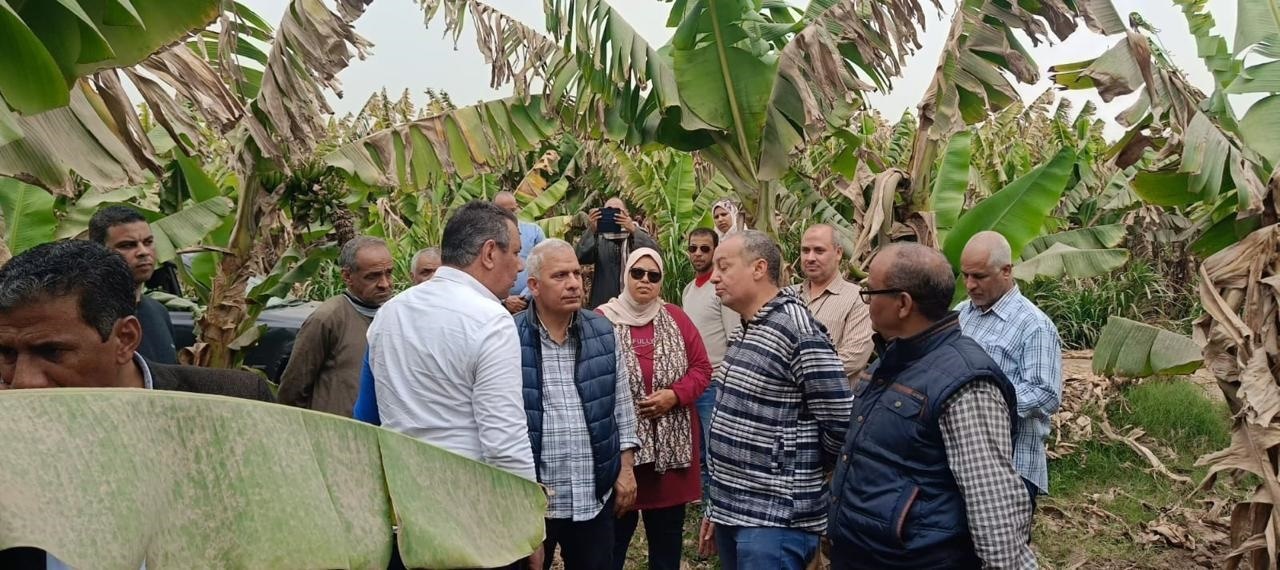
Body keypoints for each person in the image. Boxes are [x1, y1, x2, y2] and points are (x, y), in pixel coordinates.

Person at [0, 241, 275, 570]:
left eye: (52, 352)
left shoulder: (232, 410)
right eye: (7, 353)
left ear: (125, 339)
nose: (23, 381)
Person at [828, 243, 1035, 569]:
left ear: (903, 304)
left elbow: (994, 505)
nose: (865, 302)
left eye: (870, 293)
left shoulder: (966, 383)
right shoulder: (892, 360)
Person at [699, 230, 853, 570]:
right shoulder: (746, 328)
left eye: (724, 267)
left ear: (758, 268)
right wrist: (716, 506)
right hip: (734, 508)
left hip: (774, 518)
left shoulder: (797, 331)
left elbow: (840, 419)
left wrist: (796, 464)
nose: (714, 278)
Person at [367, 201, 535, 481]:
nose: (520, 266)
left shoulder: (389, 313)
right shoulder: (491, 320)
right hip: (465, 489)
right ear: (489, 253)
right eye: (516, 253)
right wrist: (527, 501)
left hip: (402, 484)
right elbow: (505, 443)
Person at [514, 239, 640, 570]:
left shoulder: (602, 331)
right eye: (560, 276)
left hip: (592, 494)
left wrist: (626, 469)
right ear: (534, 286)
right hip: (535, 499)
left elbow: (622, 405)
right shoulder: (510, 337)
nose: (573, 283)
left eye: (576, 273)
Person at [598, 248, 712, 570]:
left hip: (669, 461)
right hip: (621, 458)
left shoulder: (676, 318)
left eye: (653, 275)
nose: (645, 280)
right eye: (638, 273)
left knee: (666, 543)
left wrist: (674, 396)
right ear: (626, 275)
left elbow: (702, 369)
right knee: (612, 544)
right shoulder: (602, 320)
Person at [958, 231, 1063, 506]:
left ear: (1006, 271)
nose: (970, 285)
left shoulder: (1034, 326)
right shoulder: (961, 314)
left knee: (1001, 536)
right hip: (963, 460)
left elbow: (1046, 394)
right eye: (965, 275)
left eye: (979, 276)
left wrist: (984, 402)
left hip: (1011, 466)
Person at [277, 237, 394, 417]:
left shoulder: (395, 315)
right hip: (337, 429)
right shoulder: (327, 319)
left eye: (389, 273)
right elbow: (293, 387)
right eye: (373, 276)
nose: (384, 284)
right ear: (347, 276)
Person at [679, 228, 737, 492]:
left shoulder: (720, 289)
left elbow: (734, 335)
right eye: (693, 248)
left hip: (715, 382)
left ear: (715, 251)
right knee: (699, 449)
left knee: (717, 449)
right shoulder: (689, 290)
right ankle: (701, 499)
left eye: (705, 248)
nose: (698, 254)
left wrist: (727, 380)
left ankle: (718, 500)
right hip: (694, 382)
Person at [89, 205, 178, 364]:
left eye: (148, 242)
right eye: (127, 245)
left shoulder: (158, 311)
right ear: (98, 251)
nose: (143, 252)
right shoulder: (87, 315)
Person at [787, 224, 874, 381]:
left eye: (819, 251)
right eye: (805, 250)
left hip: (827, 395)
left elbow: (852, 359)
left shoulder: (858, 299)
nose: (810, 258)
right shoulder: (787, 295)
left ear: (838, 253)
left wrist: (789, 373)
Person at [575, 197, 659, 309]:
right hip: (604, 304)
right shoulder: (599, 238)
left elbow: (655, 256)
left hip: (635, 305)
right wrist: (592, 230)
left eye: (617, 211)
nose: (613, 216)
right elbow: (580, 257)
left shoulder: (637, 234)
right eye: (608, 211)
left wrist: (633, 230)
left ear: (627, 213)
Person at [494, 191, 545, 313]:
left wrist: (525, 296)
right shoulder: (485, 234)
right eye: (503, 211)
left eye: (513, 210)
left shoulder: (534, 232)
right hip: (496, 305)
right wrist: (504, 300)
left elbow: (544, 265)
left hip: (531, 301)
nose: (510, 215)